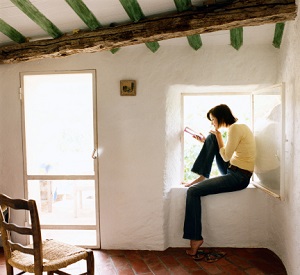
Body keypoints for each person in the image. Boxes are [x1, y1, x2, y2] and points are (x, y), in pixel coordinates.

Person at [183, 104, 256, 259]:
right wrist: (209, 141)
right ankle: (203, 175)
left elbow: (225, 157)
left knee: (192, 191)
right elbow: (226, 153)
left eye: (213, 120)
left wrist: (217, 136)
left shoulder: (235, 129)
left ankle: (195, 238)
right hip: (234, 170)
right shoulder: (237, 127)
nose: (212, 123)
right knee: (210, 138)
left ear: (221, 117)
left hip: (239, 177)